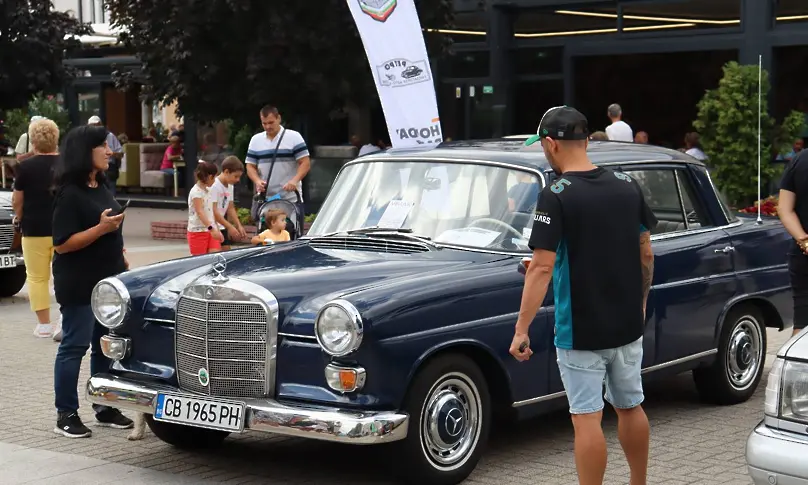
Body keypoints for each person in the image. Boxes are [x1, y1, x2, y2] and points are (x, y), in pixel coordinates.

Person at [510, 106, 657, 485]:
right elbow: (644, 251)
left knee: (587, 418)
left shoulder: (555, 195)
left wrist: (521, 328)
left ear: (550, 144)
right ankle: (638, 482)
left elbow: (541, 266)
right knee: (630, 406)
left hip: (580, 330)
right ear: (587, 140)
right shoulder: (627, 185)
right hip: (627, 323)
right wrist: (639, 302)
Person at [51, 125, 134, 438]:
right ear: (85, 151)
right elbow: (62, 244)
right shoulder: (68, 194)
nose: (109, 151)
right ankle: (66, 413)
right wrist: (100, 230)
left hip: (109, 280)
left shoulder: (101, 183)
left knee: (105, 345)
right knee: (74, 346)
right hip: (79, 282)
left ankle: (104, 405)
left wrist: (120, 253)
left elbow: (107, 225)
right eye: (103, 146)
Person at [12, 118, 61, 340]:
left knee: (37, 277)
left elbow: (17, 201)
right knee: (64, 275)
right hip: (64, 228)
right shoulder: (67, 165)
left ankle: (44, 325)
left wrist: (18, 218)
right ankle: (65, 320)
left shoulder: (24, 167)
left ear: (33, 141)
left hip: (34, 229)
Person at [246, 105, 311, 208]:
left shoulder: (294, 137)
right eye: (264, 123)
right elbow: (250, 166)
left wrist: (294, 180)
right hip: (266, 199)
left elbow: (305, 162)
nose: (268, 127)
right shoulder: (255, 140)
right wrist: (257, 181)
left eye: (271, 122)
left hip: (290, 199)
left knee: (290, 224)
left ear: (279, 118)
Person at [776, 148, 808, 337]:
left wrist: (804, 241)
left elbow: (784, 208)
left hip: (802, 254)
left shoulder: (799, 160)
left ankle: (796, 366)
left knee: (802, 320)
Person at [187, 161, 224, 255]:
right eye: (214, 177)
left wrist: (217, 229)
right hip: (198, 231)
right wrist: (212, 229)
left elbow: (211, 211)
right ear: (210, 176)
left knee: (215, 258)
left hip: (211, 229)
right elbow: (200, 212)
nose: (215, 180)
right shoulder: (196, 192)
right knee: (200, 261)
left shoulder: (209, 190)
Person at [211, 156, 247, 250]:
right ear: (226, 172)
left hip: (221, 225)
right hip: (212, 226)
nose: (238, 180)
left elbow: (230, 207)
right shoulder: (214, 186)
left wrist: (238, 225)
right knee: (216, 254)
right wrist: (230, 227)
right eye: (236, 176)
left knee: (226, 252)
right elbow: (214, 212)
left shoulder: (230, 186)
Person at [87, 116, 123, 194]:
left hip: (109, 167)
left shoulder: (110, 136)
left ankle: (112, 205)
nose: (93, 128)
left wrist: (110, 154)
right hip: (94, 168)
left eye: (95, 125)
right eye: (91, 126)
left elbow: (120, 153)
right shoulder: (87, 138)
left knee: (110, 190)